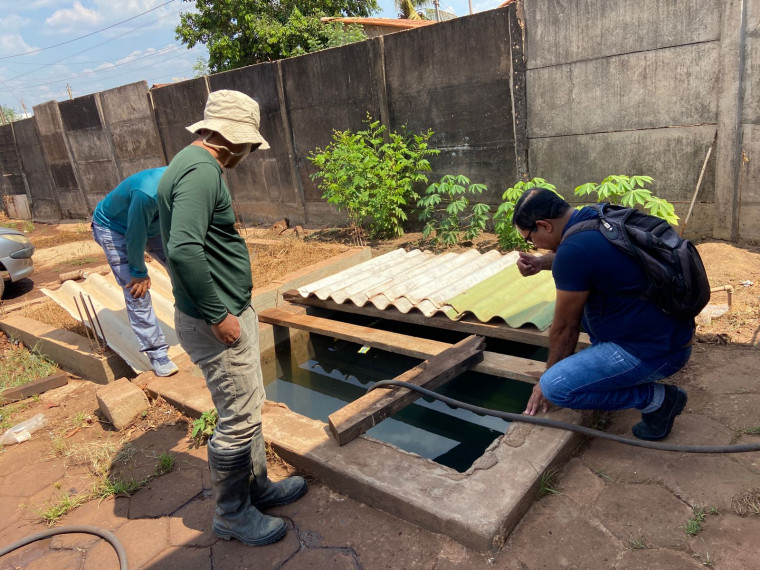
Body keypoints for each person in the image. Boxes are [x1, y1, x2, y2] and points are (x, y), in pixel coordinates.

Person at [157, 89, 307, 547]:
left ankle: (256, 488)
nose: (248, 153)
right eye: (248, 144)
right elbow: (182, 248)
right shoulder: (203, 172)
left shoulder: (185, 163)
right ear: (231, 139)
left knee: (245, 407)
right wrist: (219, 313)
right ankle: (232, 514)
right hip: (214, 318)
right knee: (237, 420)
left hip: (217, 310)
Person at [512, 188, 694, 441]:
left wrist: (546, 381)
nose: (533, 246)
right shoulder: (596, 216)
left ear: (544, 225)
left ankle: (659, 401)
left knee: (556, 388)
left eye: (529, 239)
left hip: (655, 353)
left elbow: (565, 329)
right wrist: (541, 262)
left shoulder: (574, 251)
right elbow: (586, 257)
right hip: (672, 335)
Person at [91, 167, 179, 377]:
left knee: (183, 268)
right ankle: (157, 354)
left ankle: (196, 324)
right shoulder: (148, 193)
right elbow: (135, 234)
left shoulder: (198, 183)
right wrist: (138, 272)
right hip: (116, 227)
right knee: (137, 290)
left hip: (153, 225)